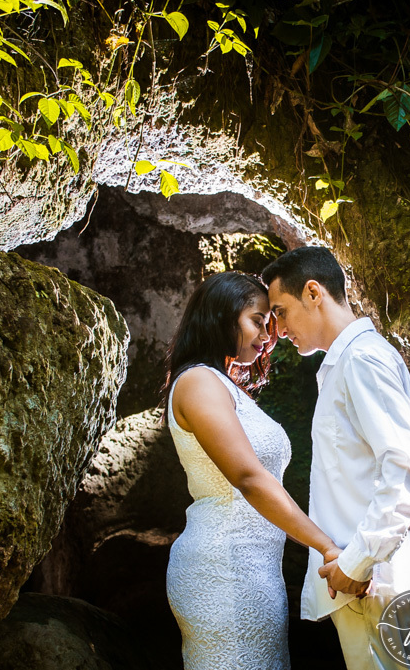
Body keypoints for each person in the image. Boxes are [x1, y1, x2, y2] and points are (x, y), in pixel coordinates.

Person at [263, 246, 410, 670]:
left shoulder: (361, 359)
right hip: (367, 585)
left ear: (314, 293)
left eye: (281, 311)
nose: (278, 329)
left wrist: (357, 561)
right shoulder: (347, 362)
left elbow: (408, 468)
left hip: (376, 586)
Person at [161, 270, 341, 670]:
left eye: (270, 324)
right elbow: (248, 478)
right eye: (257, 321)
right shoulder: (198, 383)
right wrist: (326, 545)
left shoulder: (222, 385)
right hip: (223, 570)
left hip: (255, 572)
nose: (267, 336)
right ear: (222, 316)